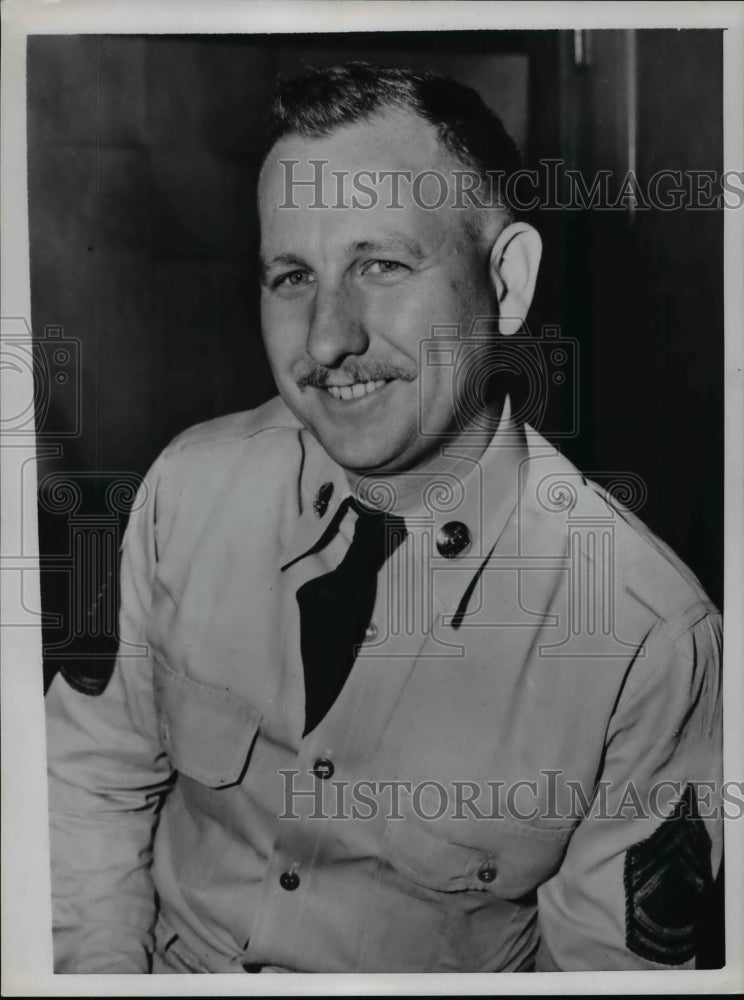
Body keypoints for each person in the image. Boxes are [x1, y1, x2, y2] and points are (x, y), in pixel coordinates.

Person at [46, 62, 722, 974]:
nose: (327, 339)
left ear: (509, 283)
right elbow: (86, 786)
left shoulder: (647, 643)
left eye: (380, 264)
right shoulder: (185, 491)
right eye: (291, 275)